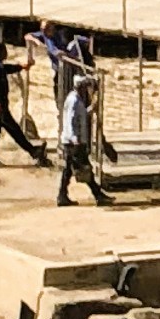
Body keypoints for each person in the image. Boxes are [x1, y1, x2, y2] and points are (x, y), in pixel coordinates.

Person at [0, 28, 46, 166]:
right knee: (13, 130)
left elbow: (6, 69)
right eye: (4, 51)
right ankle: (32, 151)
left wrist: (21, 67)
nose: (6, 53)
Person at [56, 55, 112, 207]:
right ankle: (98, 195)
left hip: (71, 140)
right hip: (74, 141)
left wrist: (89, 110)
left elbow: (78, 117)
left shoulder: (75, 99)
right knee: (85, 169)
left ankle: (63, 195)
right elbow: (71, 121)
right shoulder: (74, 101)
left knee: (69, 170)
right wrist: (76, 139)